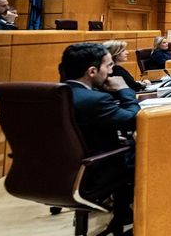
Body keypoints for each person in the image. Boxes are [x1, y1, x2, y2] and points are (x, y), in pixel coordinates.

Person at [60, 42, 140, 228]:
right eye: (108, 66)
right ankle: (128, 215)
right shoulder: (95, 99)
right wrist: (124, 90)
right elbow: (132, 119)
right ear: (92, 71)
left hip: (58, 170)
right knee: (149, 154)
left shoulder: (55, 94)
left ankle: (124, 213)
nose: (111, 72)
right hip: (92, 172)